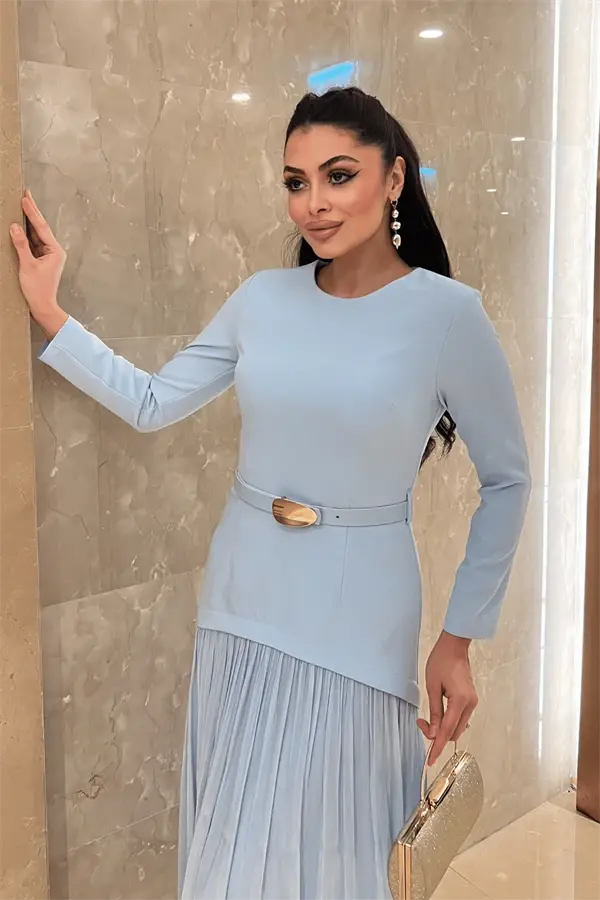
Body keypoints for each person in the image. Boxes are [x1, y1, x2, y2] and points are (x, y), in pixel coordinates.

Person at [10, 87, 531, 900]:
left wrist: (459, 638)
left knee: (336, 853)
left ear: (394, 179)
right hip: (242, 603)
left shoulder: (447, 316)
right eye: (296, 182)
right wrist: (51, 312)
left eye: (338, 175)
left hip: (359, 621)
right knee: (236, 856)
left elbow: (508, 479)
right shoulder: (262, 299)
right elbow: (152, 402)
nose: (314, 202)